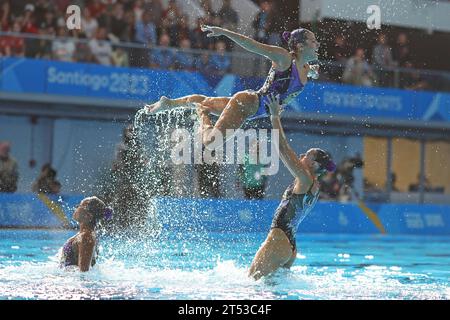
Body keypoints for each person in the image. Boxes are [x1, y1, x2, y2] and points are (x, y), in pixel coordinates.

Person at [145, 25, 320, 148]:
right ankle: (201, 113)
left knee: (207, 101)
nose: (317, 44)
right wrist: (223, 32)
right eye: (313, 41)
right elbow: (252, 45)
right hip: (248, 104)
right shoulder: (284, 58)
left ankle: (169, 103)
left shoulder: (306, 67)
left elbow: (299, 78)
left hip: (250, 107)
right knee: (211, 142)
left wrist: (312, 72)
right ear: (300, 45)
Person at [248, 94, 336, 280]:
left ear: (314, 165)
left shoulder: (305, 178)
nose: (302, 155)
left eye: (307, 155)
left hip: (279, 240)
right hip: (290, 245)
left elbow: (283, 148)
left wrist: (274, 117)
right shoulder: (315, 185)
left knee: (251, 284)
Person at [60, 196, 112, 272]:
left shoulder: (86, 237)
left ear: (88, 215)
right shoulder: (85, 235)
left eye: (80, 206)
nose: (76, 208)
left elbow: (84, 274)